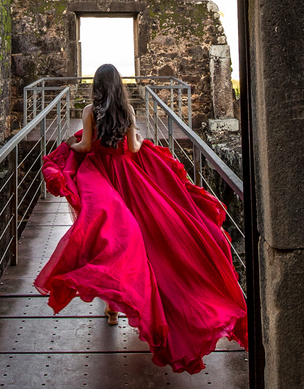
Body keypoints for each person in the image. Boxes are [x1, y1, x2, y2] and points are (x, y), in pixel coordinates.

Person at [33, 63, 248, 374]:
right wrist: (132, 143)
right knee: (142, 237)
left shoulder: (89, 111)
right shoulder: (129, 111)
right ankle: (128, 301)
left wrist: (68, 144)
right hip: (128, 174)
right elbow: (134, 148)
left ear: (97, 85)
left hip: (101, 175)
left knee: (111, 238)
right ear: (119, 85)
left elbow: (84, 145)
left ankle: (111, 308)